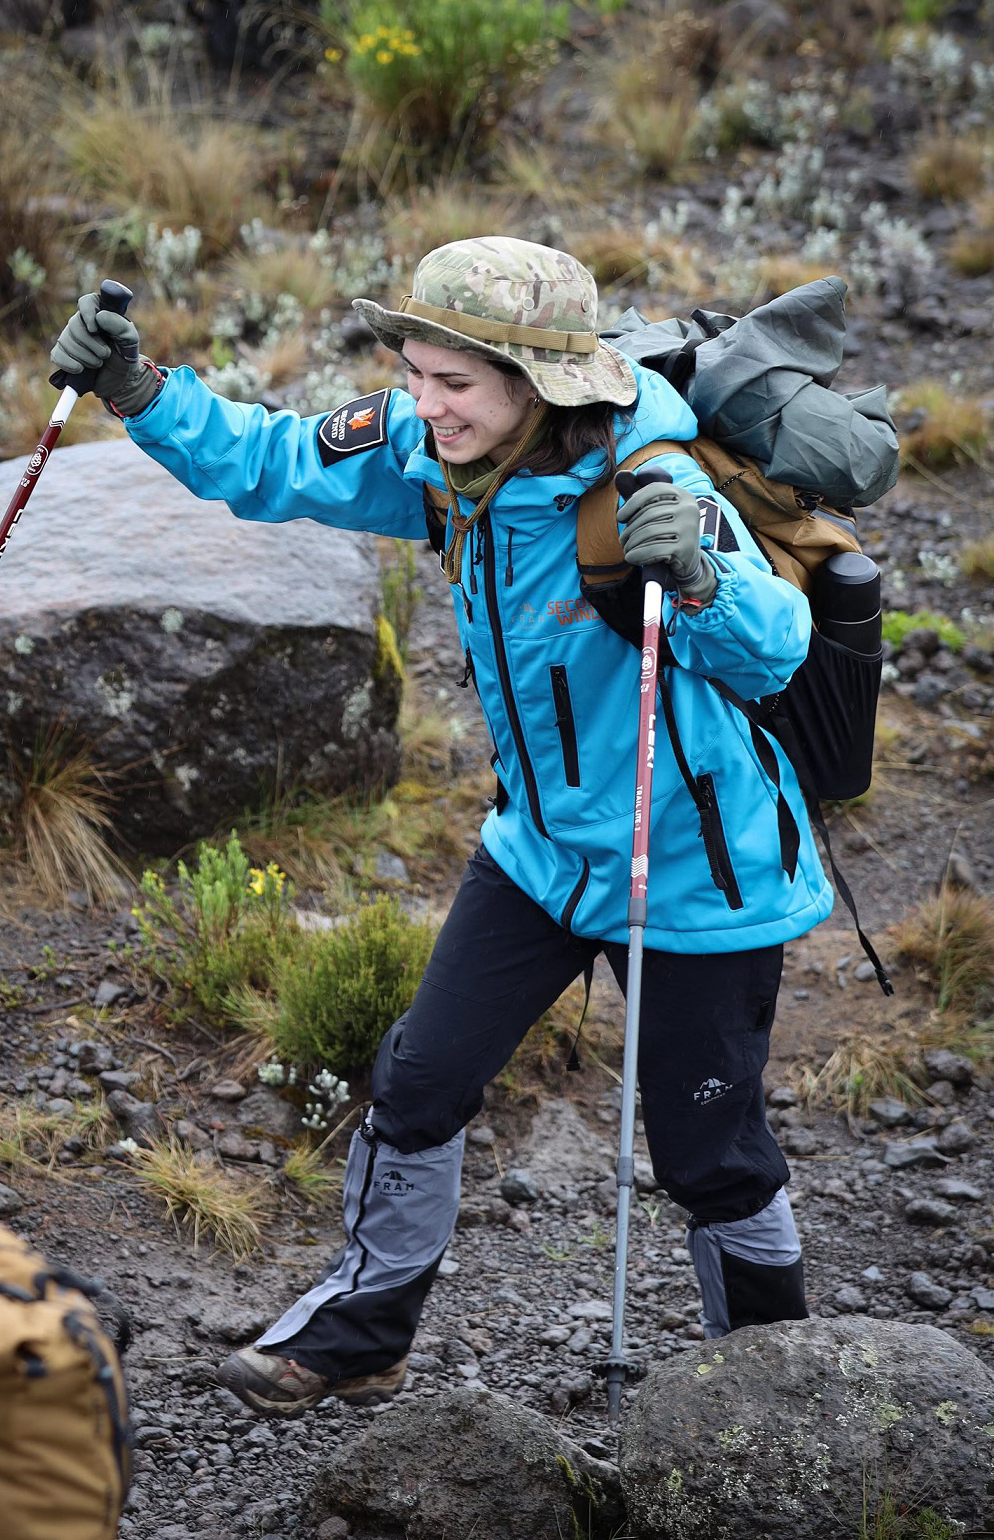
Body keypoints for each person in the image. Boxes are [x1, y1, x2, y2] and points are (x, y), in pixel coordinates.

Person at [52, 236, 833, 1419]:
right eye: (414, 372)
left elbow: (776, 647)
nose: (423, 403)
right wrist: (138, 391)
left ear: (537, 384)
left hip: (693, 869)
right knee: (418, 1080)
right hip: (539, 851)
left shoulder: (652, 481)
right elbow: (269, 462)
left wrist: (708, 580)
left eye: (453, 383)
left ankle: (785, 1387)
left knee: (706, 1155)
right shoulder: (434, 455)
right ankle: (364, 1336)